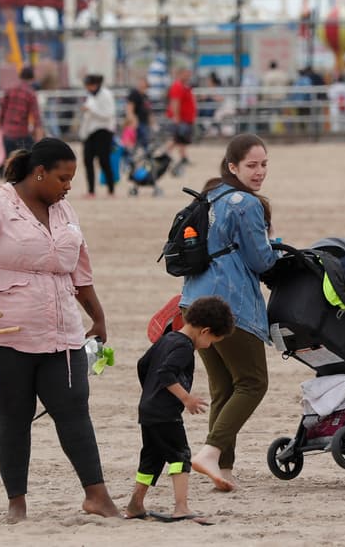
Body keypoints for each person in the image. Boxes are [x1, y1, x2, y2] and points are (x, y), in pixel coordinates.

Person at [0, 137, 120, 522]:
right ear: (38, 173)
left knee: (74, 409)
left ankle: (97, 495)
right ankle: (17, 504)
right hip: (0, 332)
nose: (69, 186)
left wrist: (98, 315)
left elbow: (80, 266)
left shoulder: (65, 210)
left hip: (60, 330)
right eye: (63, 177)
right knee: (14, 413)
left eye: (72, 178)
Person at [180, 133, 276, 491]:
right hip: (229, 305)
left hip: (193, 301)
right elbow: (261, 261)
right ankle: (210, 452)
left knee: (222, 387)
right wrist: (276, 247)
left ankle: (224, 468)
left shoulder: (208, 196)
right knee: (252, 383)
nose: (259, 171)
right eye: (252, 165)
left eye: (264, 164)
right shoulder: (246, 204)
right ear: (233, 166)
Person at [125, 296, 235, 522]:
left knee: (151, 459)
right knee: (180, 456)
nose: (211, 345)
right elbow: (165, 373)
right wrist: (186, 398)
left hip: (148, 410)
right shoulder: (184, 347)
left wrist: (149, 392)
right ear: (205, 331)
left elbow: (142, 365)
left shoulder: (167, 339)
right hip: (165, 413)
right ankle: (181, 507)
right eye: (214, 340)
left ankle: (135, 504)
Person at [78, 73, 117, 198]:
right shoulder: (91, 96)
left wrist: (91, 110)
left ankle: (111, 190)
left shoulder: (106, 95)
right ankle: (91, 190)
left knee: (104, 161)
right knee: (87, 160)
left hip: (104, 131)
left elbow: (108, 114)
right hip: (90, 132)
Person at [0, 65, 43, 156]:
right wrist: (40, 142)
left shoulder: (10, 90)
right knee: (28, 159)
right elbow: (37, 120)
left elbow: (1, 113)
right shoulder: (31, 93)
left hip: (7, 134)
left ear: (20, 77)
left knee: (8, 162)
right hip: (21, 134)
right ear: (32, 78)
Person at [166, 67, 197, 175]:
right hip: (181, 119)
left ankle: (183, 157)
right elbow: (175, 102)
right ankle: (165, 154)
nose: (188, 75)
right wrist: (176, 118)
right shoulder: (177, 86)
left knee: (181, 139)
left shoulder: (184, 86)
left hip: (186, 119)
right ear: (180, 74)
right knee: (176, 139)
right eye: (186, 73)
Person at [124, 74, 153, 152]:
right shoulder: (134, 94)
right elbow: (129, 108)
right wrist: (132, 121)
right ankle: (129, 161)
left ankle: (145, 159)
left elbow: (149, 111)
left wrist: (152, 123)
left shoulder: (145, 96)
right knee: (133, 143)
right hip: (136, 123)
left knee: (145, 143)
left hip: (144, 122)